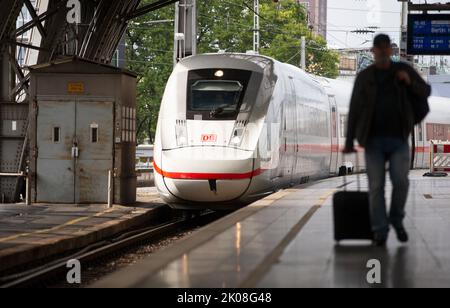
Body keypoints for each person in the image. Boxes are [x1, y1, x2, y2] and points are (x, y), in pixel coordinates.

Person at [344, 34, 431, 246]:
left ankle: (396, 219)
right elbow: (355, 109)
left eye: (386, 49)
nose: (382, 53)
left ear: (390, 51)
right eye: (379, 49)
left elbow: (425, 90)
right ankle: (380, 230)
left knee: (401, 182)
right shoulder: (365, 77)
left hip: (399, 138)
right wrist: (349, 142)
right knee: (376, 186)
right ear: (373, 51)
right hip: (372, 141)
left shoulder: (404, 70)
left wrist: (409, 82)